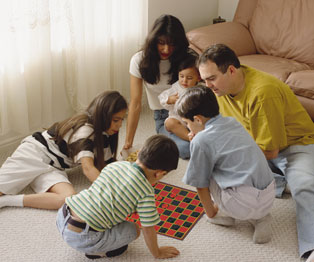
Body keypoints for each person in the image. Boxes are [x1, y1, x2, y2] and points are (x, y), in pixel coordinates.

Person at [198, 43, 314, 261]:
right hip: (255, 145)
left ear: (231, 70)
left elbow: (271, 151)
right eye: (204, 79)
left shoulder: (262, 93)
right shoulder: (220, 89)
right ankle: (279, 182)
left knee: (305, 186)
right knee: (213, 165)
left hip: (295, 146)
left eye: (211, 78)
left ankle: (311, 247)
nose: (207, 85)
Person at [175, 86, 275, 244]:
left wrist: (211, 213)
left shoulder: (201, 141)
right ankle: (261, 218)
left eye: (187, 123)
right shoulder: (232, 121)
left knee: (202, 168)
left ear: (198, 119)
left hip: (240, 205)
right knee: (234, 162)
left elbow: (200, 184)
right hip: (269, 195)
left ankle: (225, 214)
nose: (188, 128)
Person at [56, 134, 180, 259]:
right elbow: (148, 228)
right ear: (159, 174)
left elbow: (110, 189)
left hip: (63, 216)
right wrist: (157, 252)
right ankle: (97, 251)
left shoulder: (116, 165)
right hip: (85, 237)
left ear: (139, 153)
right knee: (134, 230)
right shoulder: (146, 192)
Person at [0, 91, 127, 210]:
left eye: (122, 119)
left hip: (55, 167)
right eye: (116, 120)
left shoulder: (103, 135)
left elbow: (107, 167)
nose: (120, 125)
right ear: (102, 115)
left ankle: (7, 201)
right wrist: (110, 192)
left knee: (68, 199)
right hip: (34, 154)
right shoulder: (85, 131)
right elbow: (88, 168)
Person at [124, 14, 191, 159]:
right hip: (164, 116)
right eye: (161, 42)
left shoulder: (188, 59)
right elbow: (135, 103)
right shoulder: (139, 60)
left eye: (172, 44)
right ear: (153, 40)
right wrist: (128, 142)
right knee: (186, 150)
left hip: (191, 114)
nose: (166, 49)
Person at [158, 49, 201, 141]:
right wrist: (169, 100)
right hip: (179, 120)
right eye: (181, 76)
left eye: (189, 78)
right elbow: (162, 98)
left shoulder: (200, 90)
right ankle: (190, 137)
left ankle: (200, 136)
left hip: (195, 120)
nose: (184, 81)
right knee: (170, 123)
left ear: (198, 78)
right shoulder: (176, 88)